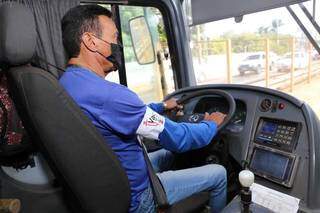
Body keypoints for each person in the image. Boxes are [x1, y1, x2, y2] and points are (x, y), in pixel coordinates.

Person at [59, 5, 227, 213]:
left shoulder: (67, 82)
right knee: (218, 174)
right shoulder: (111, 94)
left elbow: (119, 115)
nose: (118, 45)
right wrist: (210, 125)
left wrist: (161, 106)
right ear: (91, 41)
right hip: (137, 196)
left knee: (169, 155)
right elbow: (179, 138)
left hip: (110, 180)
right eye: (115, 38)